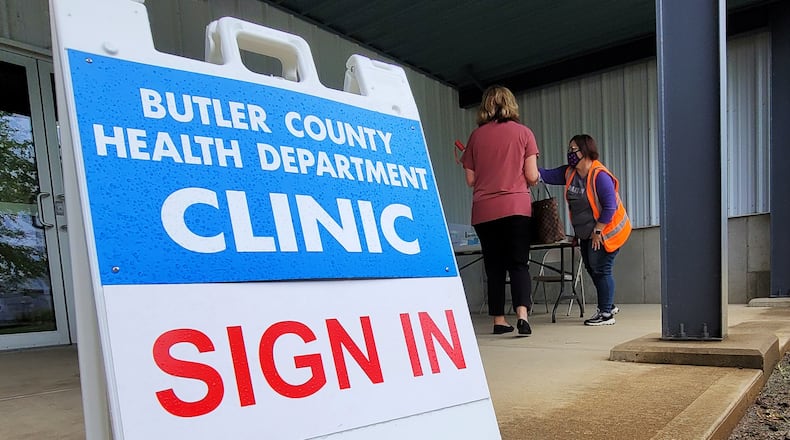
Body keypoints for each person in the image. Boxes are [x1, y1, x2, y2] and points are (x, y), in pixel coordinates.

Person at [461, 85, 540, 336]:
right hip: (516, 207)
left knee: (494, 267)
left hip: (484, 211)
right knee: (518, 264)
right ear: (511, 104)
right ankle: (522, 316)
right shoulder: (524, 133)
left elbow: (470, 180)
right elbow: (531, 175)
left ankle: (498, 320)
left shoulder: (475, 137)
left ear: (485, 106)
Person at [539, 134, 631, 326]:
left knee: (601, 268)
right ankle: (608, 304)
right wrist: (527, 162)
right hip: (587, 233)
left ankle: (606, 314)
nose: (570, 153)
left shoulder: (599, 176)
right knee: (591, 267)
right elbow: (545, 175)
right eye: (569, 150)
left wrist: (598, 231)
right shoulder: (570, 173)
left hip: (607, 231)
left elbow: (610, 207)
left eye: (573, 150)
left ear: (586, 151)